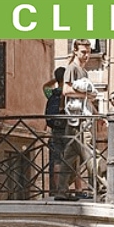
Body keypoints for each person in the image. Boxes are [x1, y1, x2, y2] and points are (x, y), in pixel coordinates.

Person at [60, 40, 97, 200]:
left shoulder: (84, 72)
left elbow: (86, 100)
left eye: (88, 52)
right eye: (83, 52)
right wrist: (88, 95)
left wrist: (98, 114)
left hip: (80, 116)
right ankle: (98, 188)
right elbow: (66, 90)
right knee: (88, 152)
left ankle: (62, 191)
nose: (87, 55)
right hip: (76, 118)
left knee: (71, 155)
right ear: (75, 51)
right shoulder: (72, 68)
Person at [43, 67, 69, 196]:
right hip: (67, 129)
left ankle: (57, 189)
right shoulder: (68, 93)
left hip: (54, 129)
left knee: (57, 160)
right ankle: (70, 189)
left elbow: (45, 86)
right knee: (71, 158)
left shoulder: (51, 93)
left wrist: (57, 78)